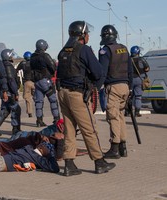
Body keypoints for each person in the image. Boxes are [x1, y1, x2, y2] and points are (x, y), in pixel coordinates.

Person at [56, 20, 116, 176]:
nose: (89, 35)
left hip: (62, 93)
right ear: (82, 35)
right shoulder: (84, 50)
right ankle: (99, 161)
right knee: (89, 129)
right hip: (77, 95)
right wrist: (94, 87)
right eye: (87, 33)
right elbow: (98, 72)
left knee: (69, 130)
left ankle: (69, 164)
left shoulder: (63, 51)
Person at [98, 24, 133, 159]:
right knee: (120, 116)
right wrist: (129, 87)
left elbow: (103, 71)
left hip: (113, 87)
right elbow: (130, 69)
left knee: (112, 117)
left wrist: (96, 87)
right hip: (125, 86)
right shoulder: (123, 49)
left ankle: (114, 148)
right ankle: (123, 147)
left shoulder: (106, 51)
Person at [30, 39, 60, 127]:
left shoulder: (32, 56)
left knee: (39, 101)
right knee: (53, 100)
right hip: (45, 80)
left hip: (37, 81)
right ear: (43, 47)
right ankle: (56, 119)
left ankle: (39, 120)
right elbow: (53, 66)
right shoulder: (45, 55)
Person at [0, 49, 22, 135]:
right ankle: (16, 129)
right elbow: (11, 80)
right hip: (10, 92)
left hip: (4, 92)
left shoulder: (1, 66)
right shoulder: (8, 66)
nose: (12, 57)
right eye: (11, 55)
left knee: (5, 110)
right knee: (16, 109)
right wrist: (15, 92)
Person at [129, 45, 150, 117]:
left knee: (129, 96)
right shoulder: (141, 59)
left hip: (130, 80)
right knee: (138, 96)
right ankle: (137, 112)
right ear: (138, 52)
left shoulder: (128, 60)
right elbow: (147, 68)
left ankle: (128, 111)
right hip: (139, 79)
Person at [16, 51, 35, 118]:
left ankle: (29, 112)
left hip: (26, 82)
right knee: (37, 97)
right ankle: (39, 112)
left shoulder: (22, 63)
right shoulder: (34, 62)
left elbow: (17, 70)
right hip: (34, 82)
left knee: (27, 98)